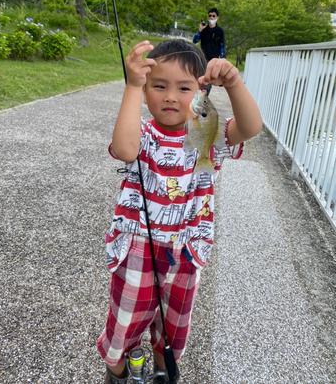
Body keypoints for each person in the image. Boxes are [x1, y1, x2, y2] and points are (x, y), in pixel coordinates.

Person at [97, 39, 262, 384]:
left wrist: (234, 83)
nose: (170, 96)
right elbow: (126, 149)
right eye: (159, 86)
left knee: (173, 328)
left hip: (188, 249)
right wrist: (131, 85)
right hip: (138, 249)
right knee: (124, 325)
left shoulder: (209, 133)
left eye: (184, 88)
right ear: (146, 93)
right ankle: (116, 373)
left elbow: (250, 128)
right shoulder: (141, 133)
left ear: (201, 92)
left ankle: (161, 369)